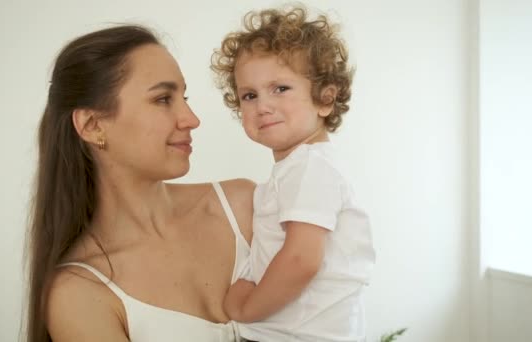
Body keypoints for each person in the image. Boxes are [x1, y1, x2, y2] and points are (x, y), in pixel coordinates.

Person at [25, 25, 255, 342]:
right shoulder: (79, 294)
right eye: (163, 99)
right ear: (92, 126)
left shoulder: (244, 206)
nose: (191, 118)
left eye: (183, 97)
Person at [211, 6, 375, 342]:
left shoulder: (310, 167)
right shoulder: (297, 170)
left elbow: (302, 258)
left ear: (325, 99)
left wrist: (247, 307)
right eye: (249, 95)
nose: (262, 105)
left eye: (280, 89)